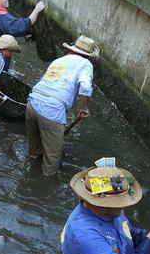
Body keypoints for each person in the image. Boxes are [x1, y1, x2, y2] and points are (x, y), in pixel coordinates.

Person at [27, 35, 97, 176]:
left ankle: (30, 170)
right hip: (52, 110)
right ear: (87, 56)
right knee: (51, 162)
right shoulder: (85, 64)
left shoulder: (59, 60)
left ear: (71, 50)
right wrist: (83, 108)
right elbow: (85, 86)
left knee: (34, 152)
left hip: (32, 103)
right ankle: (44, 187)